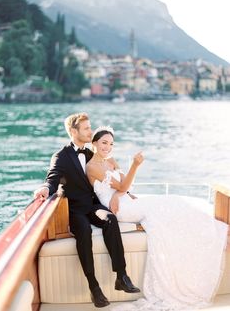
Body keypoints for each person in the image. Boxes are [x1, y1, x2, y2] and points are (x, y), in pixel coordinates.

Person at [86, 125, 229, 311]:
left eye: (111, 144)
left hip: (124, 200)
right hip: (122, 210)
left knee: (173, 202)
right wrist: (135, 166)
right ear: (94, 142)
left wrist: (118, 194)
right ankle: (220, 232)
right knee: (168, 204)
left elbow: (125, 187)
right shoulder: (92, 167)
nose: (108, 147)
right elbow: (123, 185)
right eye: (104, 143)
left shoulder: (110, 160)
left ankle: (216, 231)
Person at [33, 113, 140, 309]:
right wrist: (45, 189)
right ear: (74, 132)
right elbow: (53, 177)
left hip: (93, 206)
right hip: (75, 210)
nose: (91, 131)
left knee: (110, 219)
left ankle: (121, 276)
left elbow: (112, 176)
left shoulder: (92, 153)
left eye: (90, 128)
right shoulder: (61, 156)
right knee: (84, 231)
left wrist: (117, 195)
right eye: (87, 129)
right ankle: (94, 286)